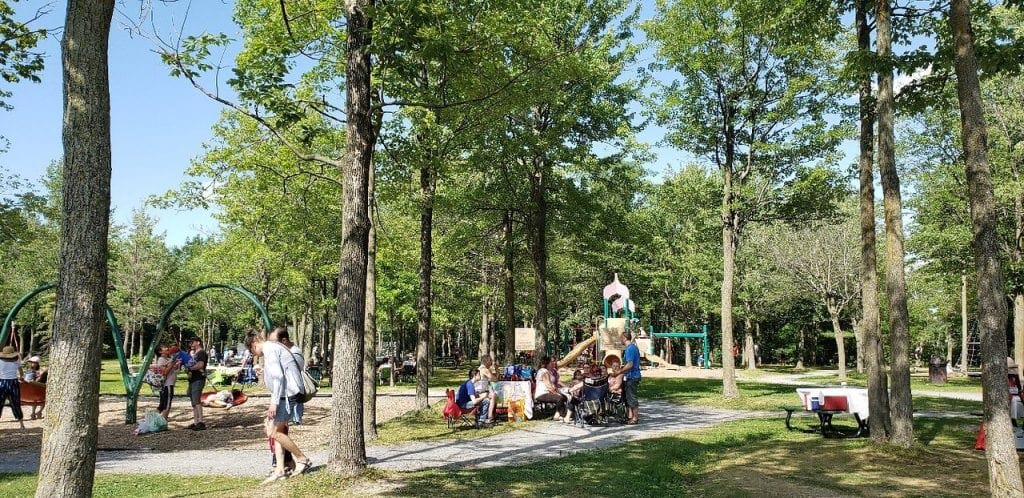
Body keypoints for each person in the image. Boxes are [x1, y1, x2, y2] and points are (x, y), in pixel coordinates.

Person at [246, 329, 312, 484]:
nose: (254, 354)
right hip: (286, 394)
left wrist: (274, 402)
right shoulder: (273, 348)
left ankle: (302, 459)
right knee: (277, 432)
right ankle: (280, 470)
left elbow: (278, 377)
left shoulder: (269, 349)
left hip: (286, 396)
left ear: (254, 343)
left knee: (273, 431)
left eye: (252, 350)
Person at [615, 331, 641, 425]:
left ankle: (635, 418)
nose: (620, 339)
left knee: (631, 397)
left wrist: (619, 372)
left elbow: (630, 364)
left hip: (632, 376)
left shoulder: (630, 349)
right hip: (631, 376)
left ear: (625, 338)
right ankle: (631, 416)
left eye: (621, 338)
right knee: (629, 397)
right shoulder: (632, 347)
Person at [534, 356, 570, 423]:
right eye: (551, 361)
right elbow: (549, 386)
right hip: (542, 394)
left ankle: (559, 414)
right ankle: (558, 415)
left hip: (546, 392)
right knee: (560, 398)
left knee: (564, 397)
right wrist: (556, 393)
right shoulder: (544, 371)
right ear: (547, 363)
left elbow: (552, 385)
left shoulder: (548, 371)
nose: (553, 363)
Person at [186, 338, 209, 430]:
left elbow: (200, 365)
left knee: (196, 400)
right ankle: (196, 422)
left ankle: (201, 422)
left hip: (198, 379)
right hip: (193, 379)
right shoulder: (194, 354)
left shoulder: (201, 353)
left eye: (193, 342)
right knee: (193, 401)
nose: (191, 344)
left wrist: (190, 368)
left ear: (198, 342)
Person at [0, 346, 24, 428]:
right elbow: (21, 372)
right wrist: (21, 377)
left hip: (1, 382)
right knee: (16, 403)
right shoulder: (16, 360)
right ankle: (21, 424)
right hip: (13, 383)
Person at [155, 346, 181, 420]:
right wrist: (172, 363)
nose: (167, 348)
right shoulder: (161, 360)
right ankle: (163, 421)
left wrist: (177, 363)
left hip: (170, 383)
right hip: (167, 384)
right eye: (164, 347)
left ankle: (153, 419)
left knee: (162, 404)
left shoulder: (169, 359)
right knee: (167, 404)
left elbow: (175, 368)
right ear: (160, 352)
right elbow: (164, 372)